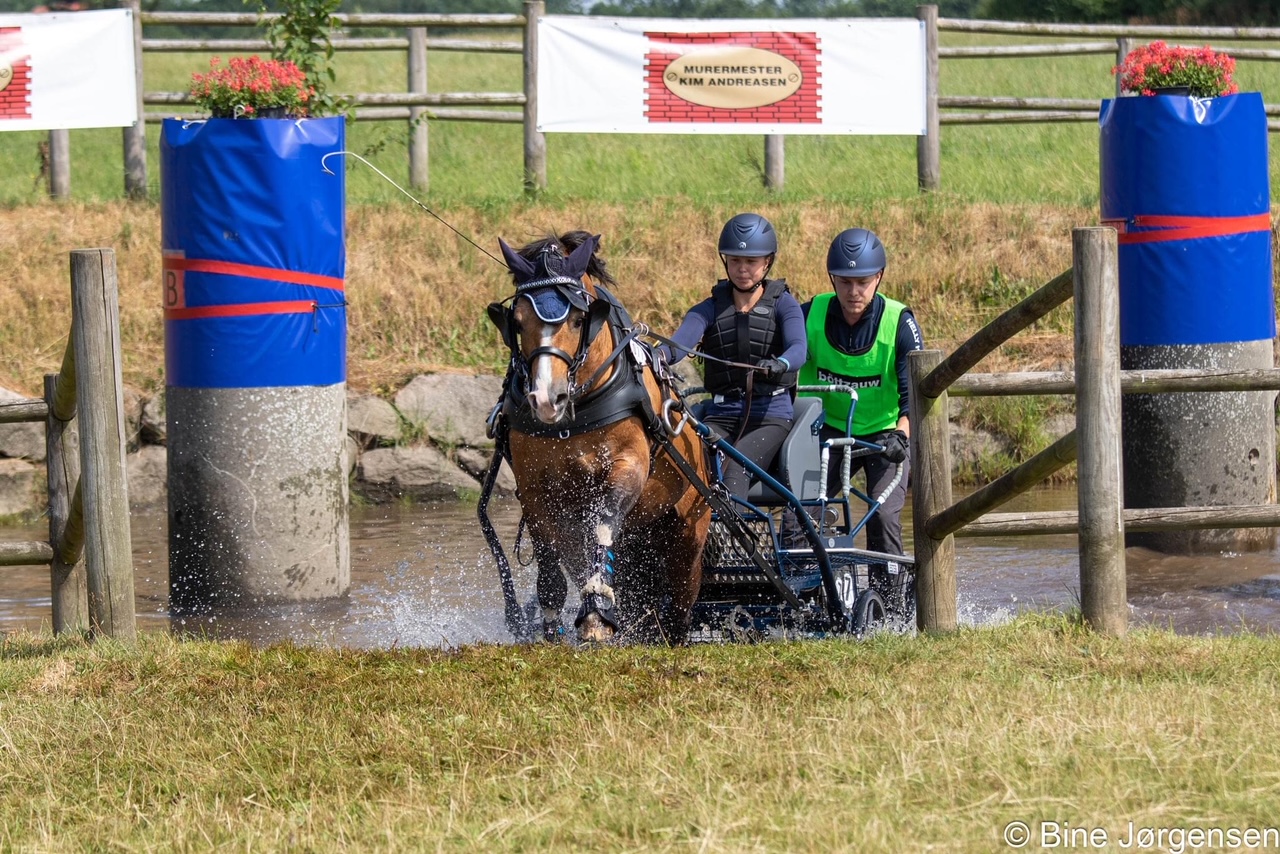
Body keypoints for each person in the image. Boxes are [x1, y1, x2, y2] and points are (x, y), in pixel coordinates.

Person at [797, 227, 924, 556]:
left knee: (882, 515)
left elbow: (913, 396)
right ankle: (804, 595)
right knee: (801, 513)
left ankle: (892, 601)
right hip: (828, 432)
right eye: (845, 282)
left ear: (879, 278)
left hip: (886, 436)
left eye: (863, 282)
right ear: (832, 279)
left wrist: (902, 435)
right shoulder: (809, 314)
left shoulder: (900, 322)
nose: (854, 291)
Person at [662, 212, 808, 497]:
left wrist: (781, 363)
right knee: (687, 468)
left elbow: (799, 349)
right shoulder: (709, 307)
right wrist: (654, 355)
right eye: (735, 260)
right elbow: (679, 343)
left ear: (767, 262)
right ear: (725, 261)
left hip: (770, 419)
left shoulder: (785, 305)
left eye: (751, 261)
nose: (742, 268)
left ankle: (732, 543)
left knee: (733, 471)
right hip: (720, 416)